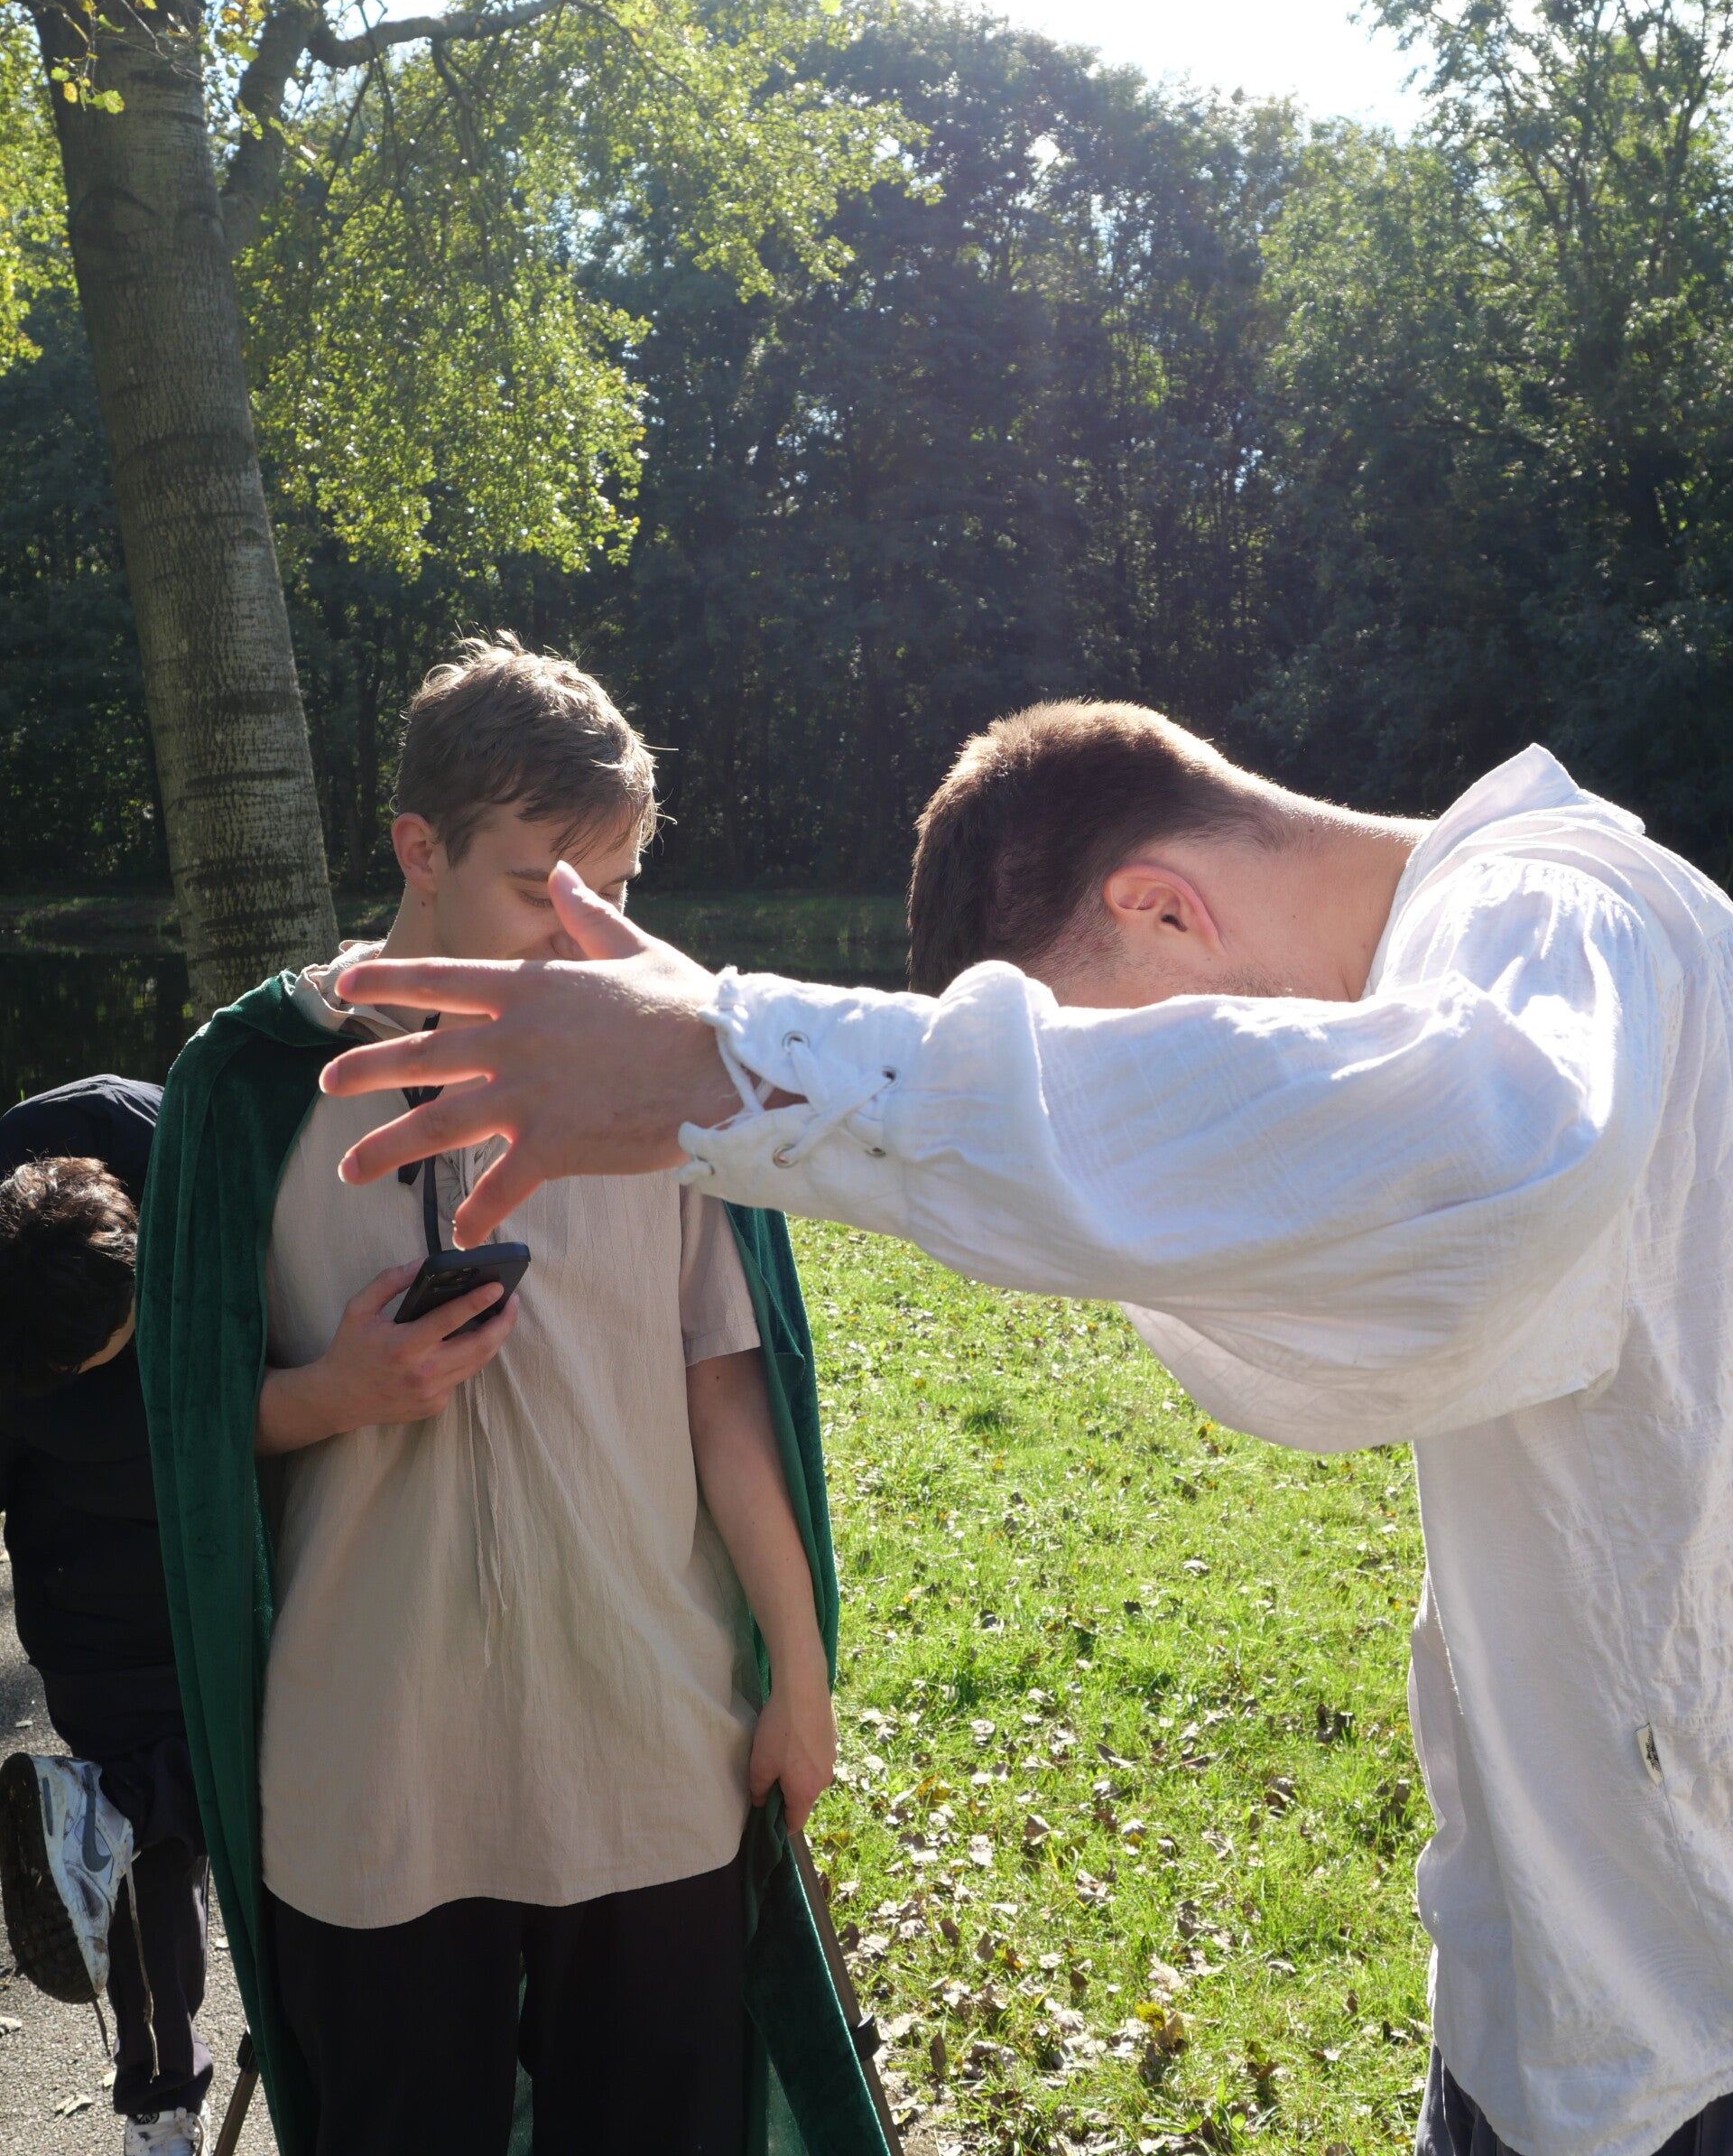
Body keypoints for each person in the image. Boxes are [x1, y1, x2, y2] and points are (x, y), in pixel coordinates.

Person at [321, 700, 1733, 2156]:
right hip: (1563, 1999)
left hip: (1685, 2025)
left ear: (1160, 906)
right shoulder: (1484, 943)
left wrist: (736, 1060)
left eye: (1113, 1060)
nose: (1128, 1124)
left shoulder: (1558, 908)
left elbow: (1491, 1166)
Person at [136, 637, 895, 2156]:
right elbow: (192, 1438)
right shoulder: (251, 1086)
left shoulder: (665, 1071)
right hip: (375, 1769)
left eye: (616, 888)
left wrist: (800, 1676)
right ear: (420, 850)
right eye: (546, 887)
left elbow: (727, 1388)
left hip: (645, 1740)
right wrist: (337, 1392)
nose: (590, 939)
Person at [0, 1075, 212, 2156]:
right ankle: (163, 2100)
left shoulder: (186, 1159)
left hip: (145, 1572)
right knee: (173, 1833)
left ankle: (159, 2106)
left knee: (149, 1845)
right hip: (112, 1580)